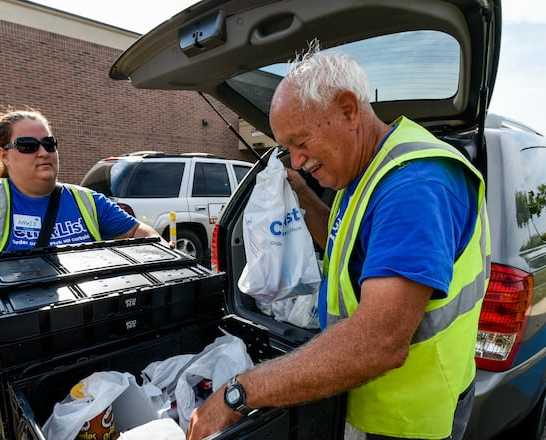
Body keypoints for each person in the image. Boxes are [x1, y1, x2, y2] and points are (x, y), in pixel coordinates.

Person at [187, 46, 489, 440]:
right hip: (373, 401)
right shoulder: (365, 168)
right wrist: (302, 195)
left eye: (300, 142)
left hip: (409, 420)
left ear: (348, 110)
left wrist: (240, 393)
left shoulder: (414, 185)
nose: (296, 160)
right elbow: (351, 246)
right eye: (287, 150)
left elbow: (380, 341)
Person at [0, 109, 165, 335]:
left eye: (49, 143)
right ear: (4, 155)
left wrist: (159, 248)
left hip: (86, 327)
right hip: (17, 337)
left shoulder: (86, 200)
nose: (43, 152)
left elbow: (136, 230)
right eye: (27, 145)